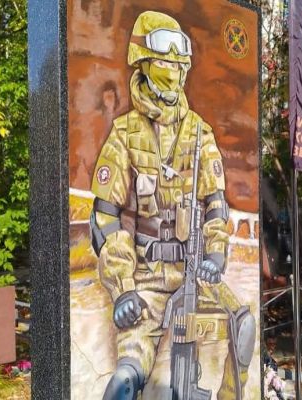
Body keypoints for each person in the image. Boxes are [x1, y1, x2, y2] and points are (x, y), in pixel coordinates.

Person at [90, 10, 255, 400]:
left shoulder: (199, 133)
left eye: (180, 64)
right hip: (146, 276)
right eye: (165, 62)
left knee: (244, 326)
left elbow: (215, 206)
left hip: (195, 271)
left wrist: (216, 255)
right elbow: (105, 219)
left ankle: (230, 395)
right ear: (143, 62)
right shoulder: (125, 134)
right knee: (128, 372)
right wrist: (122, 289)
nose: (175, 71)